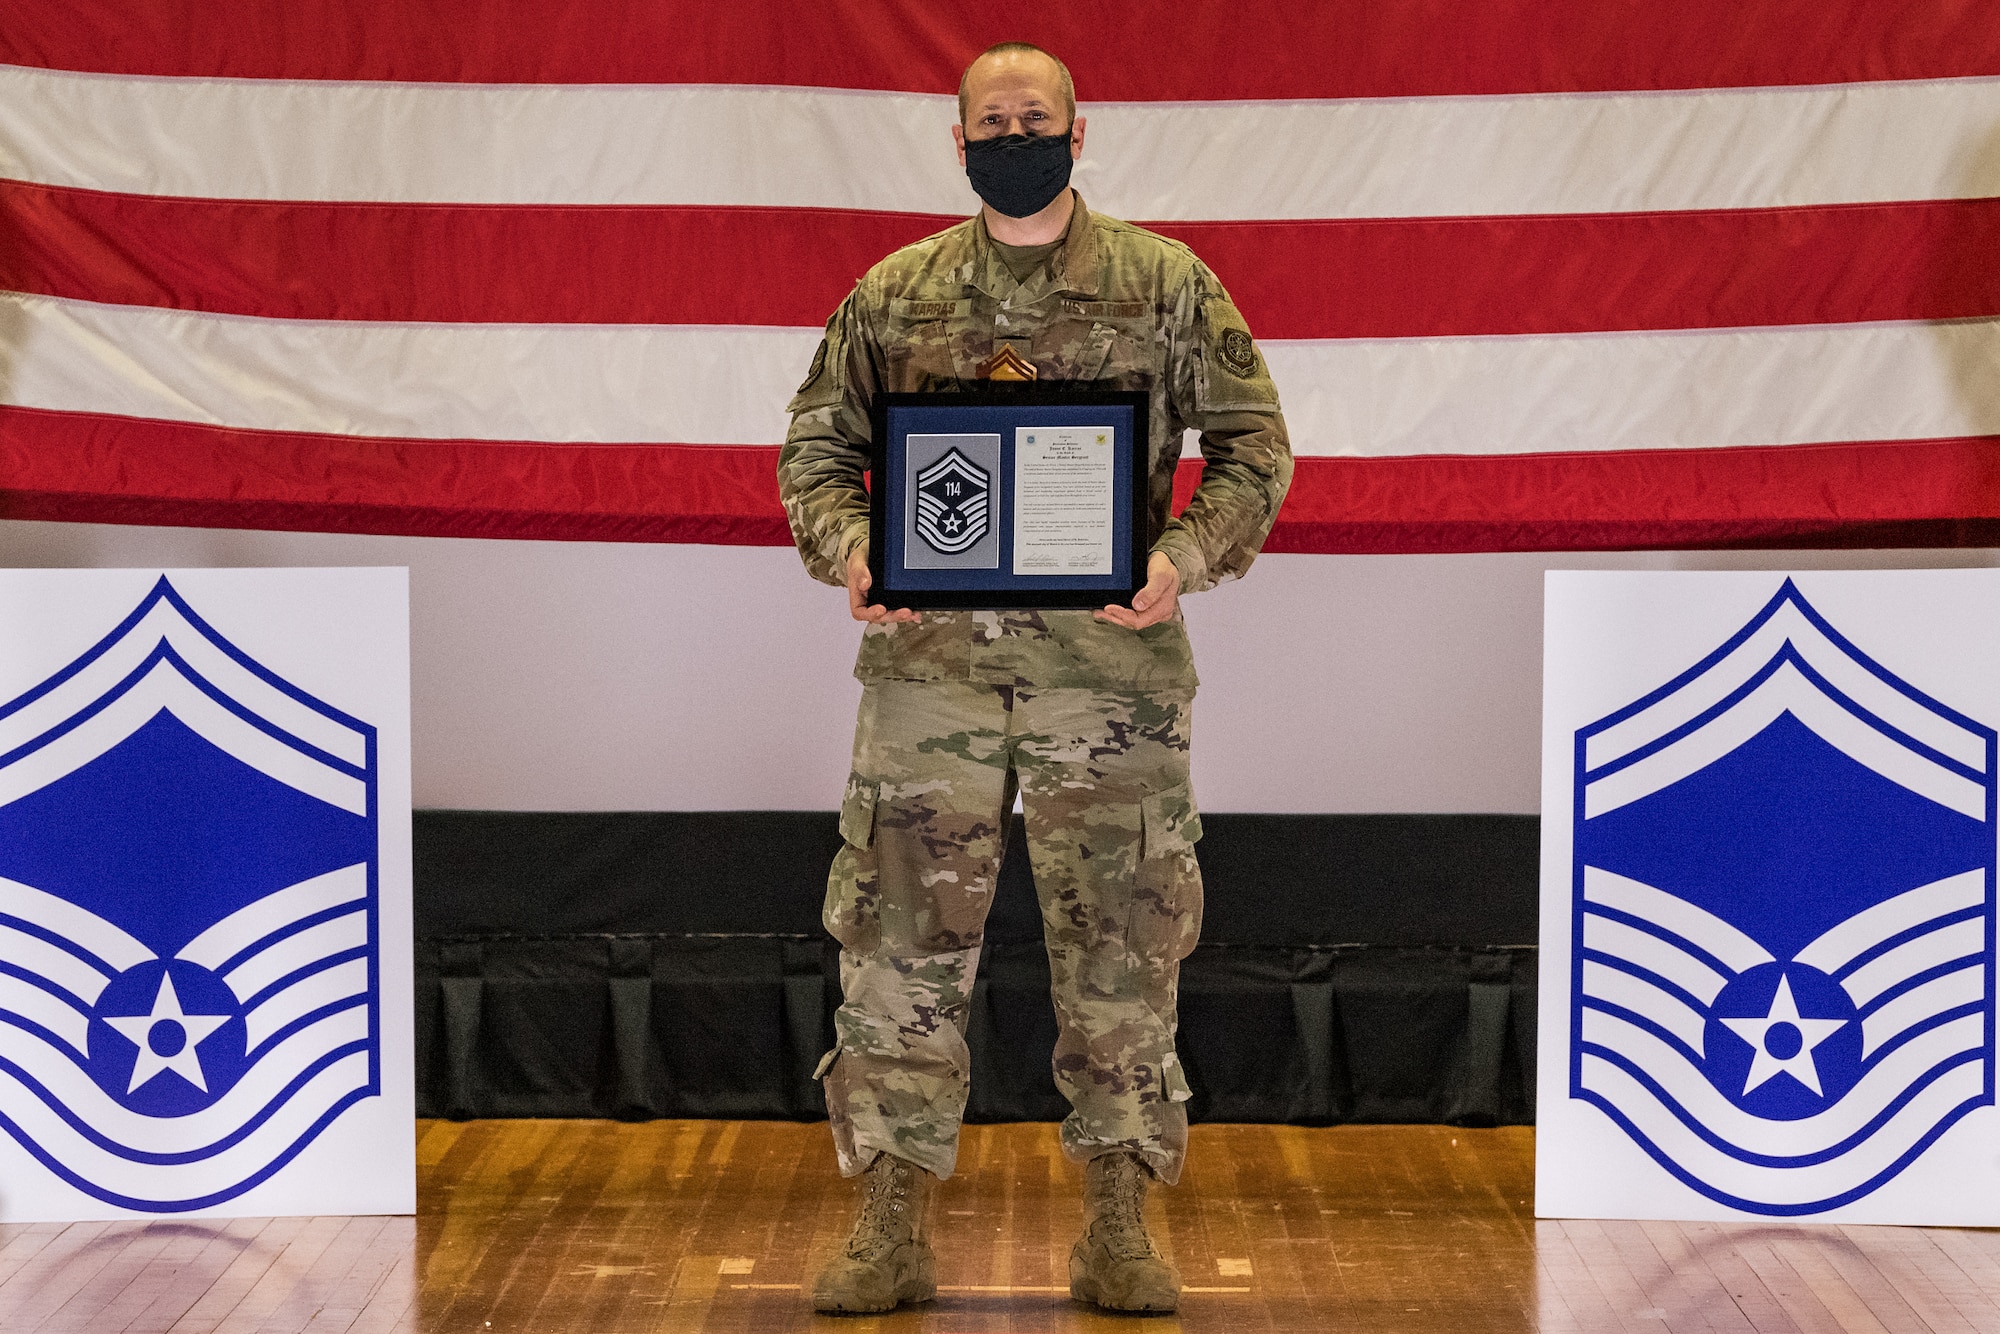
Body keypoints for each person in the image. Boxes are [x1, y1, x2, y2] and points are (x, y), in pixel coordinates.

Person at [778, 40, 1292, 1315]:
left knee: (1122, 946)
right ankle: (886, 1224)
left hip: (1106, 678)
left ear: (1079, 129)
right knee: (897, 947)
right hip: (928, 681)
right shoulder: (892, 295)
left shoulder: (1164, 283)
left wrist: (1179, 555)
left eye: (1036, 114)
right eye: (990, 119)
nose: (1015, 132)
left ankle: (1117, 1224)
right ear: (957, 146)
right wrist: (852, 550)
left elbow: (1251, 448)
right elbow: (814, 450)